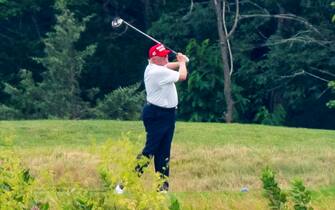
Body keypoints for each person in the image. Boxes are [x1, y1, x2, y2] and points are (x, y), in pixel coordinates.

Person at [115, 44, 188, 194]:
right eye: (164, 57)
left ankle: (162, 189)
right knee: (150, 151)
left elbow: (168, 65)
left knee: (163, 151)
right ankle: (123, 185)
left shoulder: (155, 67)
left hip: (167, 115)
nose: (167, 58)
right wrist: (181, 63)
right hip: (157, 115)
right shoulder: (156, 72)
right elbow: (182, 76)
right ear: (155, 59)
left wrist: (182, 62)